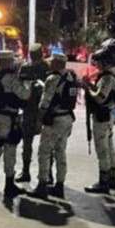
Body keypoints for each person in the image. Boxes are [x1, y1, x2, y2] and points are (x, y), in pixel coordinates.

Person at [30, 53, 78, 200]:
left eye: (52, 62)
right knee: (60, 152)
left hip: (54, 120)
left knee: (44, 152)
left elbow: (45, 103)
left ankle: (42, 186)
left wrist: (38, 120)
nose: (50, 64)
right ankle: (60, 185)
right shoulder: (71, 77)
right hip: (67, 118)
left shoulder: (52, 79)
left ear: (58, 63)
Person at [0, 51, 33, 197]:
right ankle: (9, 184)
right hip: (8, 118)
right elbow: (25, 95)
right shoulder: (11, 78)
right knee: (9, 150)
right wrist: (28, 84)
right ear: (9, 62)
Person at [83, 47, 115, 194]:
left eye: (98, 61)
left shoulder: (106, 78)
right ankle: (112, 178)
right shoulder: (110, 76)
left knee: (102, 149)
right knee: (109, 147)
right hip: (108, 115)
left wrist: (87, 87)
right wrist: (90, 85)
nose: (96, 64)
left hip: (102, 117)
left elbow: (99, 98)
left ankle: (104, 182)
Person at [16, 44, 50, 182]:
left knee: (47, 144)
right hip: (29, 109)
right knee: (26, 143)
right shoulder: (25, 67)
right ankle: (26, 171)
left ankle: (48, 173)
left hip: (43, 109)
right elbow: (19, 85)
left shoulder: (47, 68)